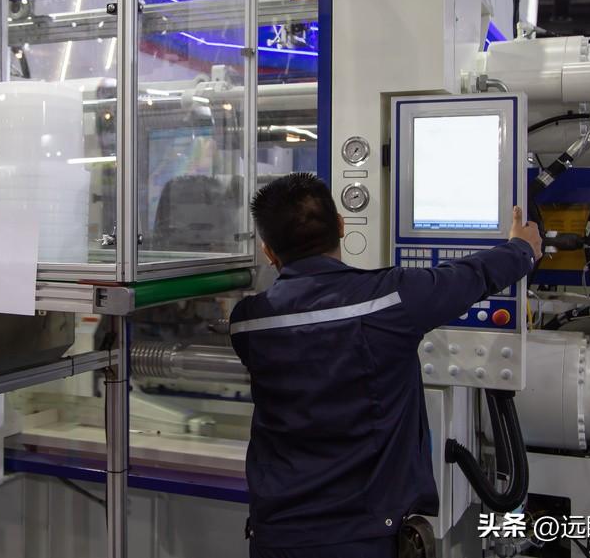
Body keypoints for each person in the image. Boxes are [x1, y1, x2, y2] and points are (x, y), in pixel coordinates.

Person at [229, 173, 543, 558]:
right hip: (363, 537)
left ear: (268, 252)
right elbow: (469, 277)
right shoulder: (391, 300)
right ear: (341, 225)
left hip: (276, 535)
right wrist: (521, 249)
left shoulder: (247, 323)